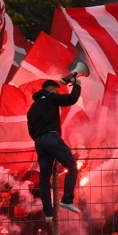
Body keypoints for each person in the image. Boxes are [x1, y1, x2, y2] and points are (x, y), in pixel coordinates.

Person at [26, 76, 82, 216]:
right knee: (72, 166)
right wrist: (77, 85)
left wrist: (40, 138)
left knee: (44, 179)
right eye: (57, 92)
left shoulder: (31, 109)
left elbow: (31, 132)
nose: (57, 94)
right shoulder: (50, 97)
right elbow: (71, 99)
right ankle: (67, 200)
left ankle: (48, 213)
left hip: (39, 142)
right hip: (51, 138)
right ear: (50, 89)